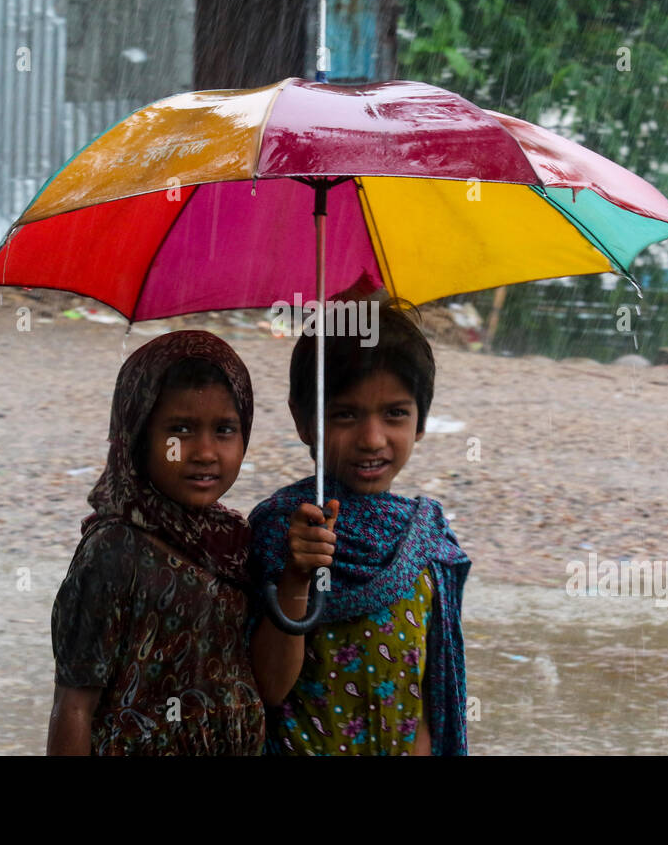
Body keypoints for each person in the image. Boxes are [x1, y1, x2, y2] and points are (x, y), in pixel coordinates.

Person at [248, 297, 472, 755]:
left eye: (395, 414)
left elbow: (430, 694)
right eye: (346, 414)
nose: (372, 439)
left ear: (422, 421)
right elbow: (268, 687)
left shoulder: (426, 538)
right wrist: (297, 575)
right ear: (304, 420)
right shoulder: (283, 528)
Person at [45, 330, 265, 755]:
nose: (204, 451)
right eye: (179, 430)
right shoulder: (114, 551)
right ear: (138, 435)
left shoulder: (237, 544)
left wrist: (297, 577)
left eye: (224, 429)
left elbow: (268, 681)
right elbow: (73, 706)